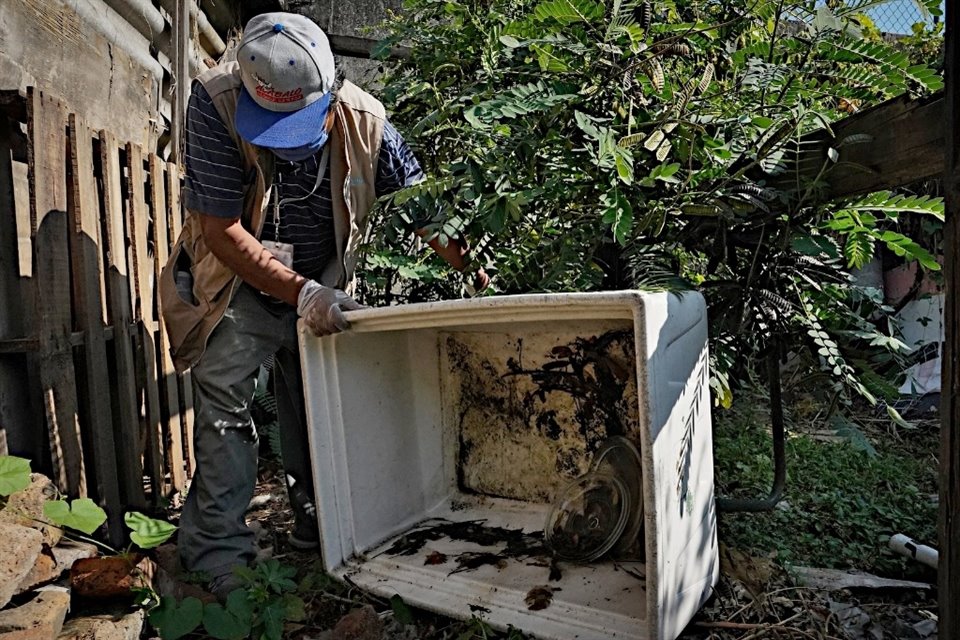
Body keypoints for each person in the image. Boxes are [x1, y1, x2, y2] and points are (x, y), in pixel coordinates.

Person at [158, 11, 488, 599]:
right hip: (238, 283)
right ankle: (218, 556)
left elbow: (422, 210)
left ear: (331, 93)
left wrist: (478, 270)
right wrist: (299, 292)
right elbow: (220, 230)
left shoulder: (368, 123)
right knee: (226, 407)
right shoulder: (214, 102)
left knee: (319, 410)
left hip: (328, 277)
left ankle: (321, 526)